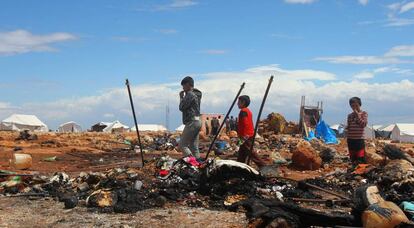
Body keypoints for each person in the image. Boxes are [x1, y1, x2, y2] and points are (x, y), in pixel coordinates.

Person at [236, 95, 266, 167]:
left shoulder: (243, 111)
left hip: (246, 136)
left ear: (243, 102)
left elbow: (245, 124)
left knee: (251, 153)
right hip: (246, 136)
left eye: (239, 102)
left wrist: (243, 138)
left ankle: (264, 166)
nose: (237, 103)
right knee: (241, 155)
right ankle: (239, 168)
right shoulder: (248, 111)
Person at [179, 76, 202, 159]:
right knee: (193, 146)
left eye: (183, 86)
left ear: (188, 85)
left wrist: (181, 97)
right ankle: (198, 165)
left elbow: (181, 107)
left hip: (192, 122)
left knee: (182, 145)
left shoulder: (190, 94)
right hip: (198, 121)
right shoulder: (197, 94)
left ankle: (193, 162)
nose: (183, 88)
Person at [346, 97, 368, 166]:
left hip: (359, 139)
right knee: (353, 158)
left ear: (360, 104)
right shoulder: (350, 116)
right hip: (350, 139)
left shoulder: (364, 114)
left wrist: (357, 115)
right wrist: (346, 128)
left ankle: (361, 174)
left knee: (360, 158)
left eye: (356, 105)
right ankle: (354, 173)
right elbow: (349, 126)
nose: (354, 107)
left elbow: (363, 124)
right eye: (352, 106)